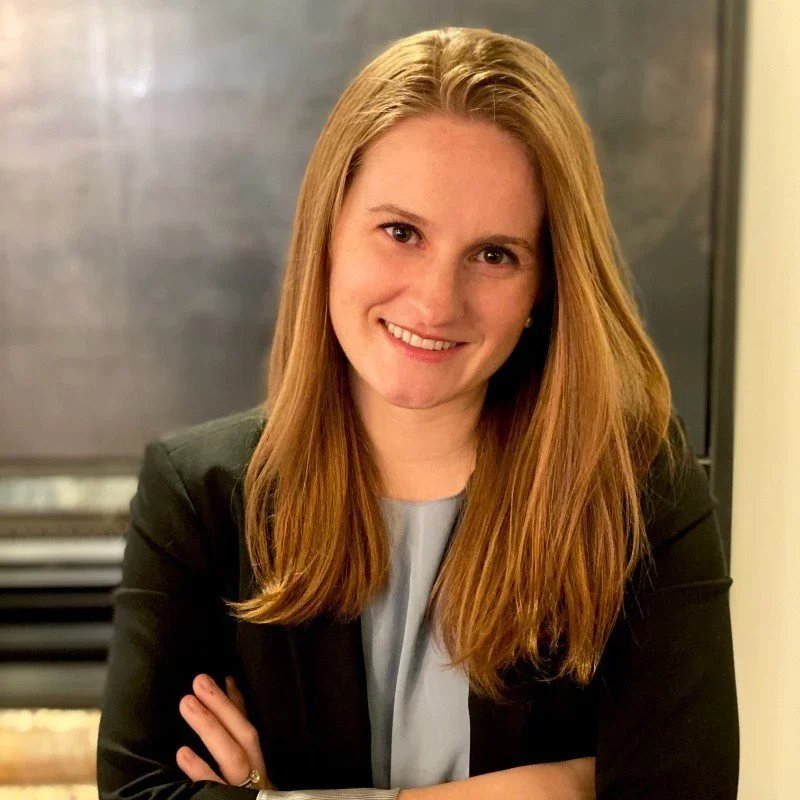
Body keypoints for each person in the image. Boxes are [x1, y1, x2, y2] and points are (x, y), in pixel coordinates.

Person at [96, 26, 738, 800]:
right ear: (328, 234)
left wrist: (274, 798)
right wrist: (562, 787)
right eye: (400, 232)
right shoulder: (196, 494)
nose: (437, 301)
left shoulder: (639, 483)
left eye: (494, 254)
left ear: (546, 286)